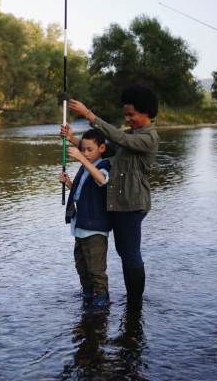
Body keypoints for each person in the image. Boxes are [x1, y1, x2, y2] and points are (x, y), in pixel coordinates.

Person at [63, 85, 160, 310]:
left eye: (131, 114)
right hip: (117, 203)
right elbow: (101, 149)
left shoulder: (149, 137)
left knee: (129, 254)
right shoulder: (130, 135)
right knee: (123, 252)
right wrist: (72, 140)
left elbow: (118, 138)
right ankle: (127, 302)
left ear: (146, 112)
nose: (127, 119)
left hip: (132, 204)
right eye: (125, 114)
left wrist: (89, 115)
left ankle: (135, 305)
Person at [59, 129, 112, 312]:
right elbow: (82, 194)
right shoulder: (84, 168)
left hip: (95, 230)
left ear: (102, 148)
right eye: (83, 150)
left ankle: (102, 300)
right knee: (82, 266)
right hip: (80, 227)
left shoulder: (104, 166)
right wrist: (69, 184)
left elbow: (102, 180)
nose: (86, 153)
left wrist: (82, 159)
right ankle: (88, 293)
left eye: (90, 150)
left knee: (96, 270)